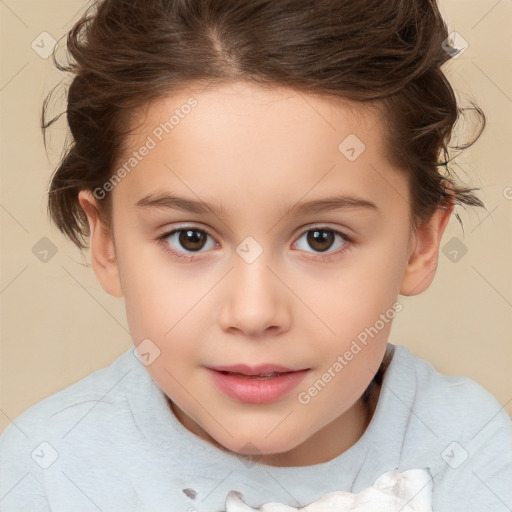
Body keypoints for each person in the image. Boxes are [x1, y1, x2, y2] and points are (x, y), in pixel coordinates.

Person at [1, 0, 510, 510]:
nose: (253, 313)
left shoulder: (474, 456)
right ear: (107, 242)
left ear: (419, 242)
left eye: (321, 239)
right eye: (190, 238)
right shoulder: (45, 476)